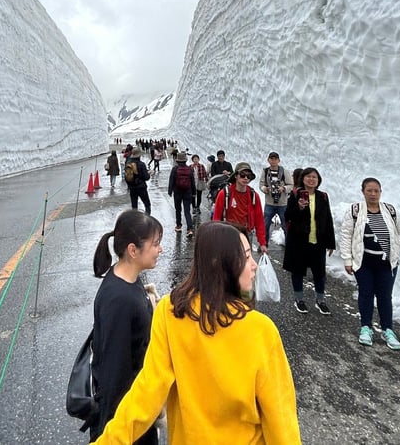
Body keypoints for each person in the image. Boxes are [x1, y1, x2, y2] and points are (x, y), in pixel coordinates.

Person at [91, 222, 301, 445]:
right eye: (247, 257)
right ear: (221, 265)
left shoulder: (170, 312)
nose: (254, 265)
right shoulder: (261, 330)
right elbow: (281, 420)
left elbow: (146, 392)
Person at [90, 211, 164, 444]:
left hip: (137, 405)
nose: (160, 249)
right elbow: (114, 373)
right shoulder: (119, 299)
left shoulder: (127, 278)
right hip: (128, 415)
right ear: (133, 250)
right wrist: (111, 431)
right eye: (155, 244)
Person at [340, 177, 400, 350]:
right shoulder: (355, 210)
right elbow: (346, 235)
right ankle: (366, 328)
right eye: (369, 190)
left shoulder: (390, 210)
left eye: (376, 190)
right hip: (364, 263)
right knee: (366, 294)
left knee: (385, 297)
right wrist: (347, 259)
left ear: (380, 192)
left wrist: (397, 248)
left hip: (386, 264)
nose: (373, 194)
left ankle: (388, 330)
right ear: (363, 191)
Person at [283, 167, 336, 315]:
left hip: (317, 241)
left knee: (319, 273)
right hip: (298, 241)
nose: (311, 179)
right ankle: (299, 299)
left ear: (318, 180)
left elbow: (328, 219)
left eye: (314, 177)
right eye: (308, 176)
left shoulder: (323, 196)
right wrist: (299, 207)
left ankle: (320, 301)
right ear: (303, 178)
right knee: (297, 271)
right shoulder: (295, 194)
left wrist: (331, 243)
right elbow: (287, 216)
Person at [211, 162, 267, 254]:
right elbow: (216, 218)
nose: (246, 178)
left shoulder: (253, 195)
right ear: (236, 176)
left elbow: (259, 220)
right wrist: (216, 239)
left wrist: (262, 243)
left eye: (248, 176)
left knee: (245, 260)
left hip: (247, 234)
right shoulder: (224, 193)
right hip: (229, 234)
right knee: (229, 261)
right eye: (242, 175)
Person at [259, 152, 293, 240]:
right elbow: (261, 184)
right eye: (271, 159)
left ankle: (288, 244)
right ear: (268, 160)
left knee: (285, 226)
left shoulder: (285, 171)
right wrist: (264, 189)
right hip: (269, 203)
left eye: (275, 159)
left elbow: (291, 185)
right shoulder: (265, 171)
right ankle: (264, 244)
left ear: (279, 160)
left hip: (282, 204)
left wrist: (283, 188)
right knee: (265, 225)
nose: (273, 161)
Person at [168, 152, 196, 237]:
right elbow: (192, 182)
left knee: (178, 209)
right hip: (188, 192)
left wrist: (170, 191)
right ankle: (190, 229)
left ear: (177, 161)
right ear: (185, 160)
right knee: (187, 211)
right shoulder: (189, 169)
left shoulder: (175, 169)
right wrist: (194, 192)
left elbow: (171, 180)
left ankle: (178, 226)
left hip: (177, 192)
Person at [125, 148, 152, 214]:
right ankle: (147, 218)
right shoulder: (141, 164)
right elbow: (146, 177)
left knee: (134, 206)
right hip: (141, 187)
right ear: (139, 155)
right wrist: (149, 173)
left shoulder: (128, 164)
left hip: (132, 188)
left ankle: (135, 218)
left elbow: (126, 177)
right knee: (147, 204)